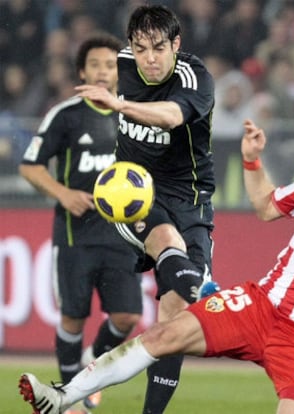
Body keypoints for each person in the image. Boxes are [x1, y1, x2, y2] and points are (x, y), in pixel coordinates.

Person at [19, 113, 294, 414]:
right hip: (261, 307)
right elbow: (265, 206)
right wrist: (253, 163)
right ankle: (61, 396)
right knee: (164, 335)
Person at [73, 5, 220, 413]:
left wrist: (119, 107)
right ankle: (205, 290)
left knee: (172, 321)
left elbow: (171, 116)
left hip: (190, 201)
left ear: (176, 44)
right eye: (140, 49)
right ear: (131, 48)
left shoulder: (196, 78)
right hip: (132, 193)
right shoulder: (120, 65)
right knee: (166, 242)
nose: (149, 59)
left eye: (158, 48)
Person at [19, 33, 143, 414]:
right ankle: (69, 399)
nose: (103, 72)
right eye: (95, 65)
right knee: (73, 316)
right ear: (81, 71)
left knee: (128, 317)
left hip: (122, 236)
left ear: (119, 73)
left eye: (110, 65)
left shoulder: (134, 116)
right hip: (75, 237)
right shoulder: (66, 115)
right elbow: (29, 166)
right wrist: (63, 193)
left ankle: (91, 364)